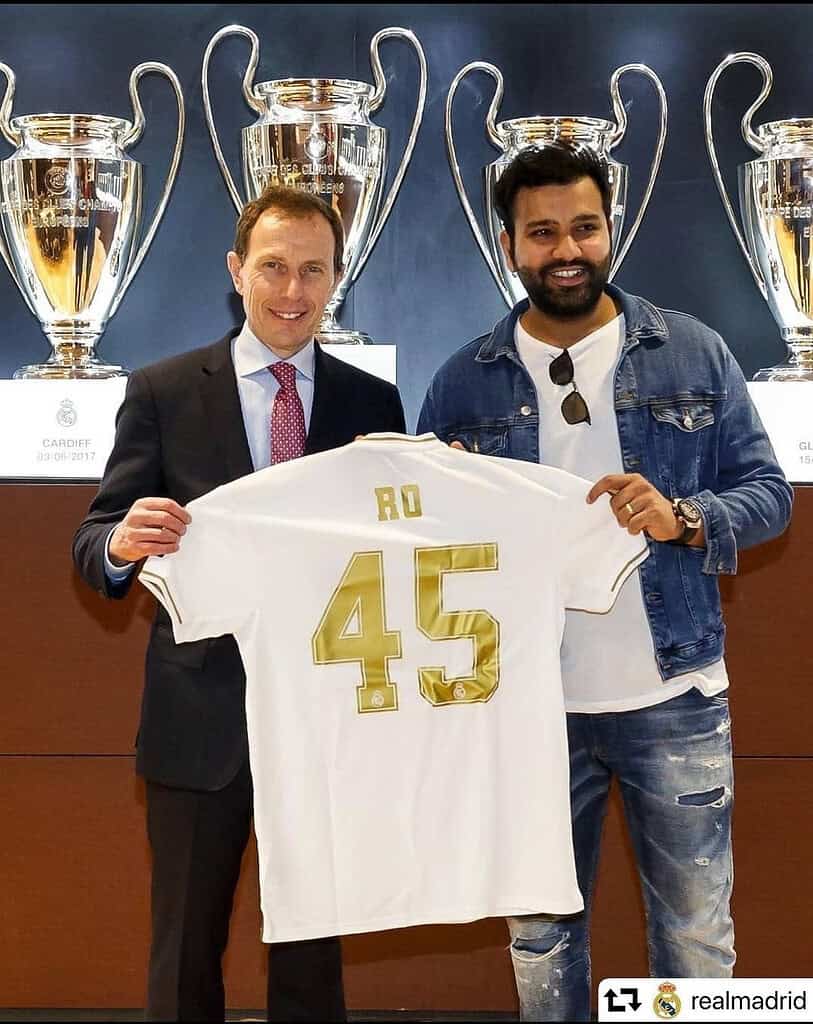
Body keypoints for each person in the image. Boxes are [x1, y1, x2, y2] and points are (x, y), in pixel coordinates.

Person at [417, 143, 793, 1022]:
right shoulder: (460, 380)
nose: (565, 250)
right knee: (541, 937)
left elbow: (768, 495)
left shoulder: (692, 352)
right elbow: (424, 548)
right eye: (541, 233)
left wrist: (683, 516)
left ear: (609, 230)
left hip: (675, 689)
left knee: (696, 938)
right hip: (522, 705)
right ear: (509, 246)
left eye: (583, 228)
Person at [72, 184, 405, 1022]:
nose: (292, 291)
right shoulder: (162, 390)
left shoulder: (374, 406)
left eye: (312, 271)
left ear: (337, 278)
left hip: (330, 724)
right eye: (272, 268)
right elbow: (94, 539)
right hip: (200, 719)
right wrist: (119, 543)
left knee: (312, 960)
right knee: (185, 952)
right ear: (236, 271)